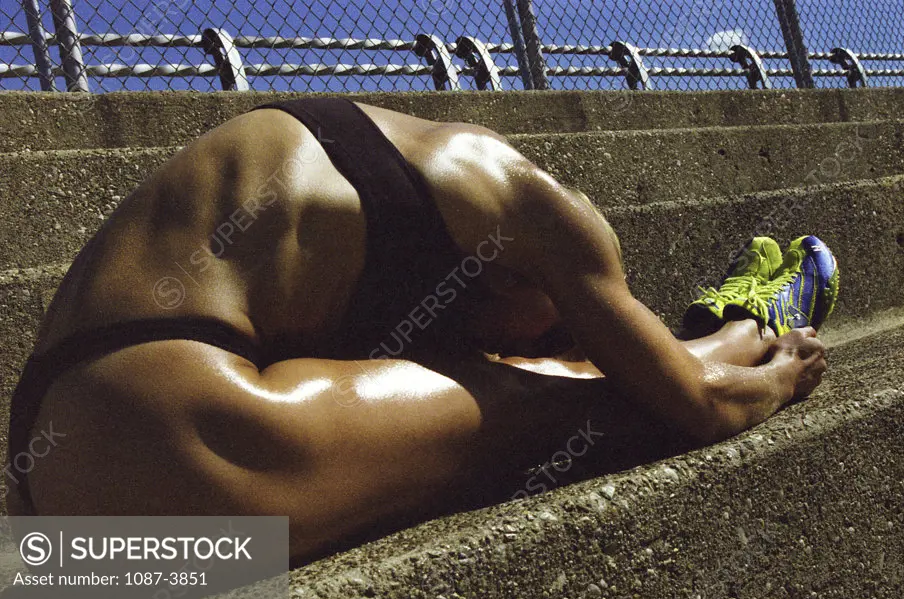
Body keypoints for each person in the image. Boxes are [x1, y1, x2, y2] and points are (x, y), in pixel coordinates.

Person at [4, 98, 837, 561]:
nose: (530, 342)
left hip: (54, 536)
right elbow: (692, 408)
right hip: (178, 442)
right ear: (539, 276)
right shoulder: (528, 199)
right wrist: (778, 376)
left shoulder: (332, 177)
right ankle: (741, 331)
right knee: (555, 403)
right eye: (559, 327)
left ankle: (714, 333)